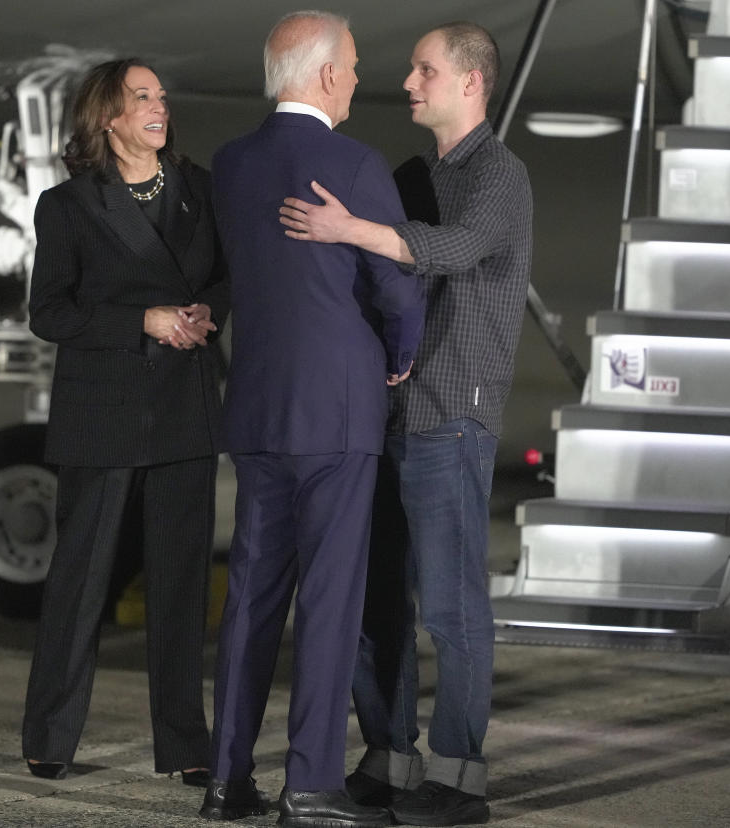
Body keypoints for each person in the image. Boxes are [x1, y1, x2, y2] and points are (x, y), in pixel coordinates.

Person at [279, 21, 533, 827]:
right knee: (374, 601)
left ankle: (459, 778)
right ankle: (389, 755)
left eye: (426, 71)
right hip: (387, 417)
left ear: (471, 83)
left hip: (453, 417)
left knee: (452, 610)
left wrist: (349, 227)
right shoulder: (412, 174)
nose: (409, 83)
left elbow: (453, 249)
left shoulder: (501, 175)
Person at [199, 11, 426, 828]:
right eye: (356, 67)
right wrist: (400, 354)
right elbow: (395, 287)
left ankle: (227, 782)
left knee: (252, 598)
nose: (361, 79)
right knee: (330, 600)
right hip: (336, 412)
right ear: (326, 75)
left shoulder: (231, 165)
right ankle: (310, 784)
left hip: (259, 406)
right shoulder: (357, 165)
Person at [21, 57, 228, 788]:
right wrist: (141, 318)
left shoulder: (200, 190)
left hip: (186, 407)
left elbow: (225, 278)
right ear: (106, 117)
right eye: (142, 98)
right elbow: (49, 312)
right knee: (79, 582)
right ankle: (50, 736)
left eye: (162, 97)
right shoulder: (69, 205)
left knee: (180, 586)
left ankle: (185, 745)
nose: (159, 107)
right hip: (104, 409)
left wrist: (209, 311)